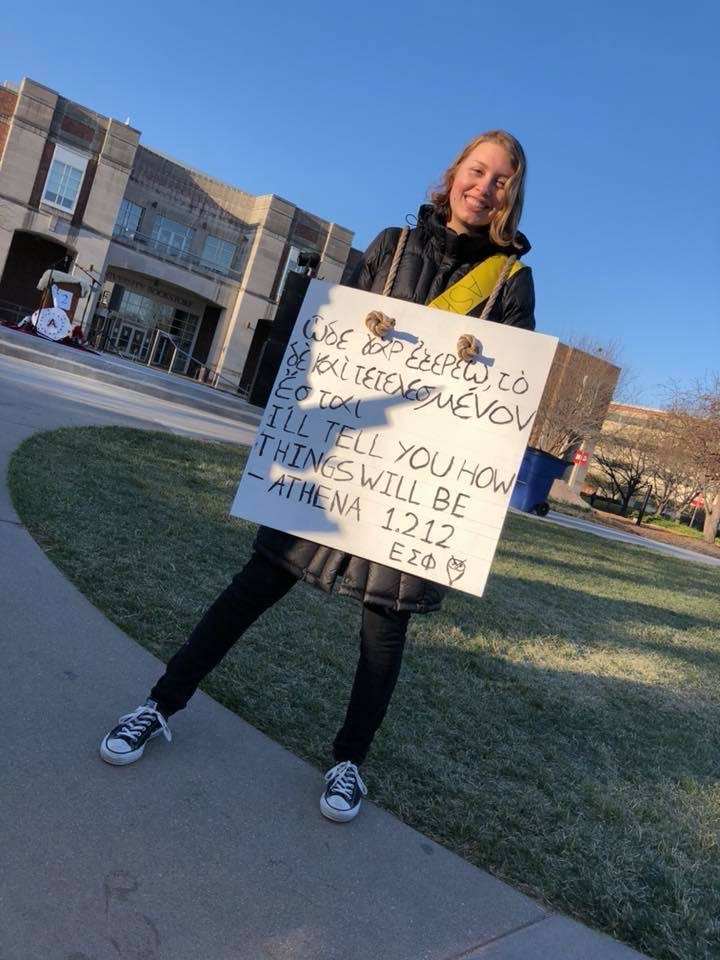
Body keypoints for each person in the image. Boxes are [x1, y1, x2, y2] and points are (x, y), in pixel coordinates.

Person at [100, 130, 536, 823]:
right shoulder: (391, 248)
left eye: (502, 179)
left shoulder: (511, 282)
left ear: (512, 194)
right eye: (477, 170)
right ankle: (158, 706)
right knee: (250, 589)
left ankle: (348, 764)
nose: (484, 186)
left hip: (412, 484)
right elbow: (329, 347)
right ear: (454, 172)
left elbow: (500, 396)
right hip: (339, 462)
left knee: (383, 634)